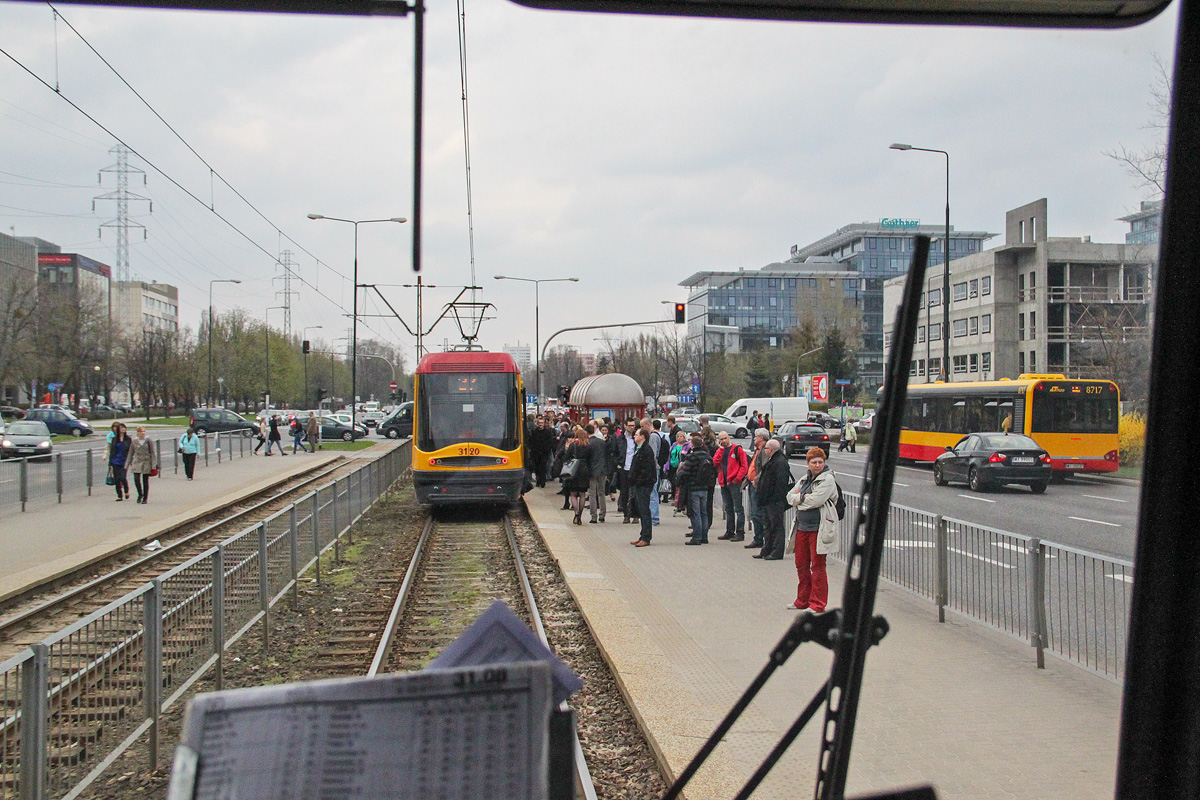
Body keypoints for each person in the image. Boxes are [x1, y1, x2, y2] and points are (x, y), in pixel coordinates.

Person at [786, 447, 839, 611]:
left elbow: (816, 500)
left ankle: (817, 603)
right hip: (802, 527)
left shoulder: (828, 479)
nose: (818, 465)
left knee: (817, 566)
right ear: (808, 463)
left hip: (819, 527)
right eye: (814, 462)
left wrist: (800, 501)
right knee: (801, 564)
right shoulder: (804, 479)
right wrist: (802, 497)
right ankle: (802, 600)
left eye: (820, 462)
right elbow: (789, 497)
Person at [676, 433, 716, 545]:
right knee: (704, 512)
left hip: (693, 488)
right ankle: (704, 536)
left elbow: (686, 473)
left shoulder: (691, 457)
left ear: (692, 445)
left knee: (695, 513)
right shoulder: (708, 456)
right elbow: (712, 472)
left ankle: (697, 537)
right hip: (705, 488)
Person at [755, 439, 791, 560]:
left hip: (774, 501)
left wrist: (775, 499)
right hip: (768, 500)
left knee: (776, 526)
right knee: (768, 526)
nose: (764, 451)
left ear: (770, 449)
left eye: (765, 449)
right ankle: (767, 549)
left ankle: (777, 551)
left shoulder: (780, 462)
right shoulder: (774, 460)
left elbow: (780, 483)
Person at [713, 431, 749, 541]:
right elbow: (715, 462)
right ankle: (730, 531)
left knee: (738, 508)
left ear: (729, 438)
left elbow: (744, 466)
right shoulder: (720, 450)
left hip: (734, 482)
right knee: (728, 508)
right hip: (724, 482)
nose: (723, 441)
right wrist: (720, 451)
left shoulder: (737, 450)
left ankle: (740, 532)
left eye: (725, 438)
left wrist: (738, 478)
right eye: (721, 439)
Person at [628, 428, 658, 546]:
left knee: (645, 510)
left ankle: (646, 537)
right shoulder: (639, 449)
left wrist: (639, 481)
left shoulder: (647, 451)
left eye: (636, 435)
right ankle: (642, 535)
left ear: (643, 437)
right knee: (640, 510)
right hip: (637, 484)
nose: (634, 436)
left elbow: (646, 470)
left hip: (644, 484)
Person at [744, 429, 770, 549]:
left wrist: (756, 479)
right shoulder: (758, 450)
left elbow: (765, 468)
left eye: (755, 437)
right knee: (754, 513)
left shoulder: (765, 451)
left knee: (757, 513)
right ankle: (758, 537)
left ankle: (760, 538)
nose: (753, 439)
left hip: (757, 485)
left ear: (761, 438)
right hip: (752, 483)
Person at [563, 426, 593, 525]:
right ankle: (580, 515)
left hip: (574, 470)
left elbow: (566, 457)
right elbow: (591, 460)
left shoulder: (573, 446)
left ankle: (576, 514)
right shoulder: (589, 446)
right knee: (582, 494)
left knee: (573, 494)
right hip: (584, 471)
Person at [614, 419, 639, 523]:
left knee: (635, 493)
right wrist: (618, 464)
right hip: (624, 469)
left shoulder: (636, 439)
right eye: (629, 425)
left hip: (634, 469)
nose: (632, 427)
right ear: (625, 426)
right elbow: (614, 453)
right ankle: (626, 514)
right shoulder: (620, 439)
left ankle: (636, 515)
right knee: (624, 492)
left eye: (633, 425)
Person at [128, 425, 158, 505]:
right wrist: (127, 464)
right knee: (136, 479)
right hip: (137, 461)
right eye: (141, 431)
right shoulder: (135, 441)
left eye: (144, 431)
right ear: (137, 432)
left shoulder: (148, 440)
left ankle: (145, 497)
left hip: (146, 462)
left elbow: (152, 453)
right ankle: (140, 494)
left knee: (145, 480)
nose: (143, 433)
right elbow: (131, 453)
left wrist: (154, 465)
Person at [585, 423, 608, 522]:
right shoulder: (602, 442)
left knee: (592, 494)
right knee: (601, 493)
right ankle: (602, 514)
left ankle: (593, 516)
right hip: (602, 470)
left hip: (592, 471)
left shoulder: (588, 443)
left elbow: (587, 458)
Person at [529, 416, 557, 488]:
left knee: (543, 467)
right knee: (537, 467)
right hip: (536, 452)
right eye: (539, 423)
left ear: (544, 424)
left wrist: (548, 449)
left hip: (544, 452)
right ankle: (538, 480)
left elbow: (550, 442)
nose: (540, 424)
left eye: (542, 423)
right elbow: (531, 441)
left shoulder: (548, 432)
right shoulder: (534, 432)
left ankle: (542, 481)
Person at [107, 423, 131, 501]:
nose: (123, 429)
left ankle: (126, 490)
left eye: (124, 428)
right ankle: (119, 495)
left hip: (124, 460)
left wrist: (131, 460)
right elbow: (112, 451)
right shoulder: (115, 439)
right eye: (121, 428)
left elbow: (130, 450)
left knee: (123, 477)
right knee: (117, 478)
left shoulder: (128, 439)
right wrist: (110, 462)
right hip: (115, 460)